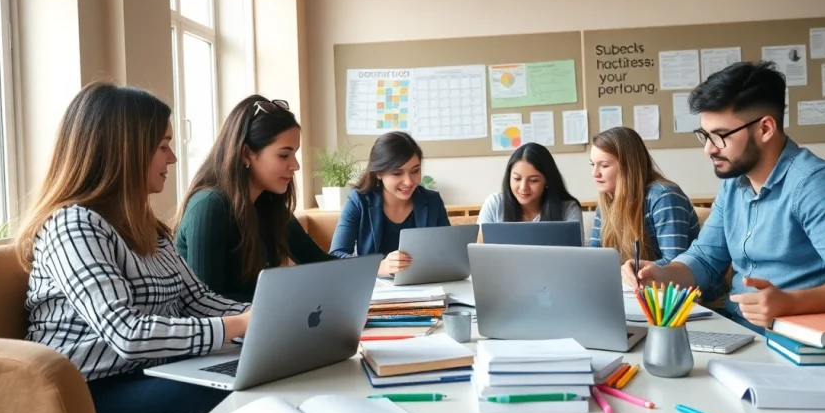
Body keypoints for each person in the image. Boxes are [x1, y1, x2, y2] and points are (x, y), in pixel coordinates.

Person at [17, 82, 250, 413]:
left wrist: (270, 315)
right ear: (123, 151)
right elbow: (127, 333)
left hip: (147, 375)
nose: (172, 158)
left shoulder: (148, 228)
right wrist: (237, 324)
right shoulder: (73, 225)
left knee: (264, 378)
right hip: (86, 397)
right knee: (243, 396)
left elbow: (197, 299)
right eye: (162, 145)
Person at [622, 61, 825, 331]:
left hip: (796, 342)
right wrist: (662, 275)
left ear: (765, 128)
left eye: (720, 136)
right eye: (704, 135)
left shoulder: (817, 185)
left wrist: (790, 303)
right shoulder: (735, 183)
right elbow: (706, 258)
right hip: (742, 332)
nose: (708, 149)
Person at [175, 95, 333, 302]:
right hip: (223, 331)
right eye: (284, 155)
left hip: (256, 327)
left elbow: (321, 264)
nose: (295, 165)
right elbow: (207, 302)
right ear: (245, 154)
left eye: (294, 154)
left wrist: (378, 266)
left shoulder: (268, 204)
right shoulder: (209, 206)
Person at [329, 131, 450, 276]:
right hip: (374, 290)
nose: (409, 181)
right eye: (397, 173)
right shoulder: (359, 201)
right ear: (378, 173)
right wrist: (379, 267)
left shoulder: (432, 201)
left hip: (425, 286)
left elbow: (449, 251)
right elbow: (336, 256)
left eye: (415, 171)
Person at [588, 126, 700, 265]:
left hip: (681, 286)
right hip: (634, 285)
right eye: (592, 164)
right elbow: (594, 256)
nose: (595, 173)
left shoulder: (664, 197)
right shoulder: (607, 200)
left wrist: (628, 271)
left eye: (604, 165)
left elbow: (674, 263)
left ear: (628, 166)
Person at [477, 142, 584, 240]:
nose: (523, 187)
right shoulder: (494, 204)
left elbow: (574, 255)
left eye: (533, 180)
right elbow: (479, 251)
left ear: (547, 180)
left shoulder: (568, 209)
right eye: (517, 179)